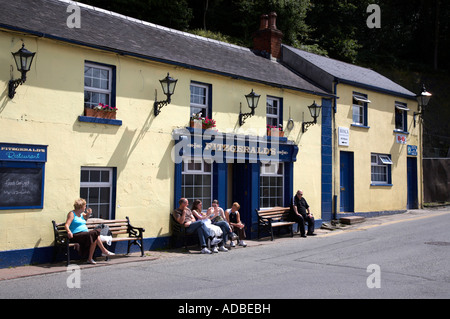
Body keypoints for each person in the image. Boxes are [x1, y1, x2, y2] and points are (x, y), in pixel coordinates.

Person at [64, 198, 114, 264]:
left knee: (95, 237)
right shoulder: (72, 214)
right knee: (95, 234)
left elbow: (86, 217)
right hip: (76, 235)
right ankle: (103, 251)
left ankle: (90, 259)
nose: (85, 207)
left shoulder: (81, 214)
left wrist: (89, 213)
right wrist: (68, 231)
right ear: (80, 207)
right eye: (84, 206)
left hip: (85, 234)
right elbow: (66, 225)